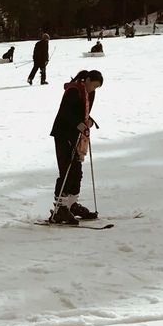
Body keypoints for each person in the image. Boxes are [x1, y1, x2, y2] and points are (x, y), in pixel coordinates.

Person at [47, 70, 103, 224]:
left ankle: (71, 204)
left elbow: (84, 113)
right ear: (88, 79)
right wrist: (78, 124)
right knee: (67, 170)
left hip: (76, 136)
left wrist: (89, 121)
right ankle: (60, 208)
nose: (93, 89)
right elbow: (65, 112)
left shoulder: (90, 93)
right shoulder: (73, 90)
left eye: (96, 87)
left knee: (77, 171)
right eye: (94, 85)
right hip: (63, 133)